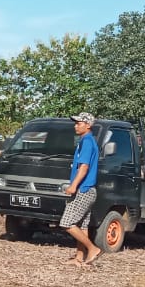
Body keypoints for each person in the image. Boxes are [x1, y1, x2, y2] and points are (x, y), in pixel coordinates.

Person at [61, 112, 102, 266]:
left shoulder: (87, 142)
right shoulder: (87, 141)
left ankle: (93, 249)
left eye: (79, 123)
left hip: (83, 190)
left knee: (67, 223)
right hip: (89, 190)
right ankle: (80, 257)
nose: (75, 125)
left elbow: (84, 167)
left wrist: (73, 186)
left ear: (88, 125)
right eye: (76, 123)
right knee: (82, 225)